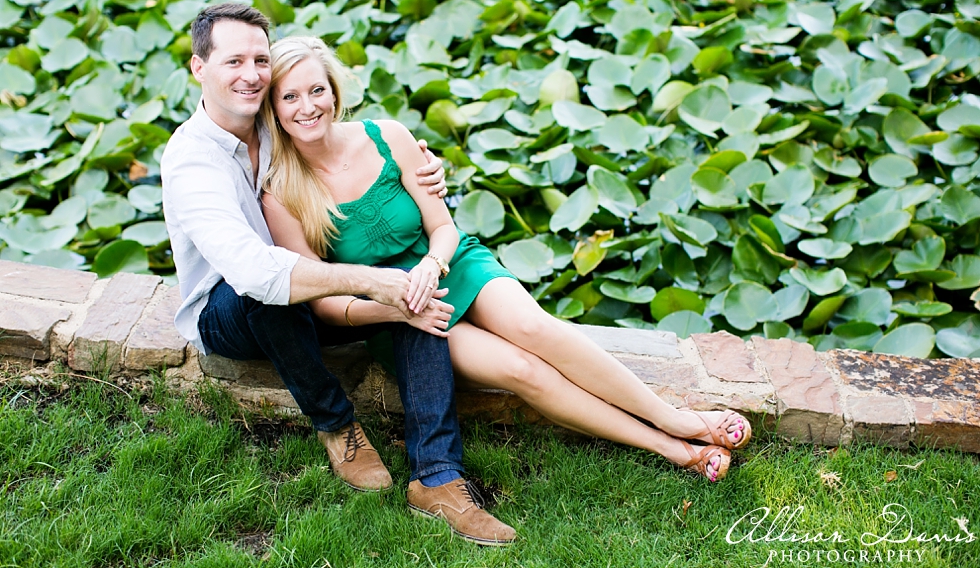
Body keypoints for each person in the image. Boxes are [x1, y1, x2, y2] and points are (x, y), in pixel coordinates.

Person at [260, 36, 753, 486]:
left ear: (334, 91)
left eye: (317, 90)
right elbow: (322, 298)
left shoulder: (387, 136)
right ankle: (670, 448)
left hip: (454, 264)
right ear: (275, 109)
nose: (308, 107)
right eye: (291, 97)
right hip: (401, 312)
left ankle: (677, 418)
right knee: (523, 372)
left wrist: (433, 263)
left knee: (536, 329)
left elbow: (443, 227)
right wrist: (392, 306)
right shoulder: (281, 192)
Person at [161, 4, 516, 547]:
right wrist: (368, 283)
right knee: (268, 291)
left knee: (407, 290)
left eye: (260, 59)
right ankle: (336, 422)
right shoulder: (192, 161)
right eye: (234, 60)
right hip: (232, 312)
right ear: (198, 68)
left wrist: (420, 167)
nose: (251, 74)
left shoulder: (272, 113)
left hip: (311, 295)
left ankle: (438, 478)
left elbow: (343, 137)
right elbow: (255, 272)